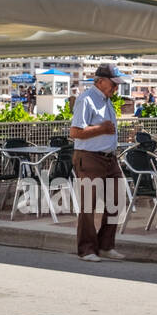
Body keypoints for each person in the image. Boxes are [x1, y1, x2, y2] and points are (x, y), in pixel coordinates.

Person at [69, 63, 128, 262]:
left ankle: (105, 245)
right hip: (89, 157)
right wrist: (101, 129)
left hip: (109, 159)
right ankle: (87, 249)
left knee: (118, 200)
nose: (116, 88)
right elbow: (75, 132)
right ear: (100, 81)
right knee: (89, 206)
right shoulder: (86, 99)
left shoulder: (106, 100)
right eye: (113, 84)